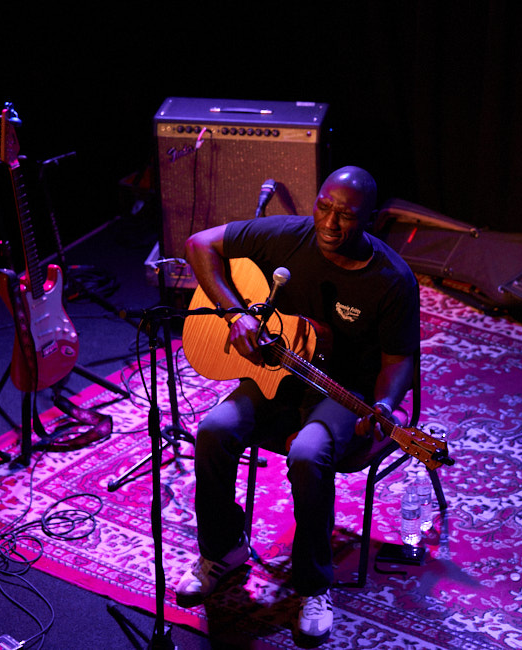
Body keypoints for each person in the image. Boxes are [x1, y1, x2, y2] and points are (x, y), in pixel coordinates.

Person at [175, 166, 420, 644]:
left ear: (369, 218)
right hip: (275, 374)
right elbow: (199, 243)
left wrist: (387, 404)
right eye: (323, 207)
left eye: (346, 215)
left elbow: (399, 359)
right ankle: (223, 550)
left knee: (308, 453)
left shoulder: (392, 279)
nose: (329, 223)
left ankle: (313, 585)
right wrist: (235, 312)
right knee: (213, 430)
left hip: (341, 390)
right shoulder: (289, 236)